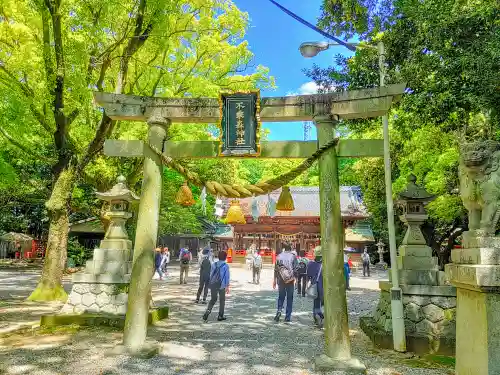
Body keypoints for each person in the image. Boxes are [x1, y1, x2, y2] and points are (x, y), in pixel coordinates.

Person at [273, 243, 298, 323]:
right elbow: (296, 269)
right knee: (289, 298)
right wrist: (296, 279)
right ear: (290, 248)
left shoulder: (279, 256)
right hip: (290, 280)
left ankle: (279, 311)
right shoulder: (293, 256)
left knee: (281, 297)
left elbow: (276, 269)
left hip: (280, 279)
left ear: (284, 248)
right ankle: (287, 317)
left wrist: (274, 280)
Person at [203, 250, 230, 322]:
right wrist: (227, 286)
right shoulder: (226, 266)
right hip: (222, 285)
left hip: (213, 284)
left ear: (218, 257)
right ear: (225, 257)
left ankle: (208, 311)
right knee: (222, 300)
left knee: (213, 299)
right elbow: (227, 277)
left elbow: (210, 274)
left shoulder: (213, 265)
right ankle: (220, 316)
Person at [307, 246, 324, 328]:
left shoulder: (310, 264)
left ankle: (316, 317)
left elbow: (308, 276)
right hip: (324, 287)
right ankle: (321, 316)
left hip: (315, 286)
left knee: (316, 303)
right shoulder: (326, 265)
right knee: (323, 303)